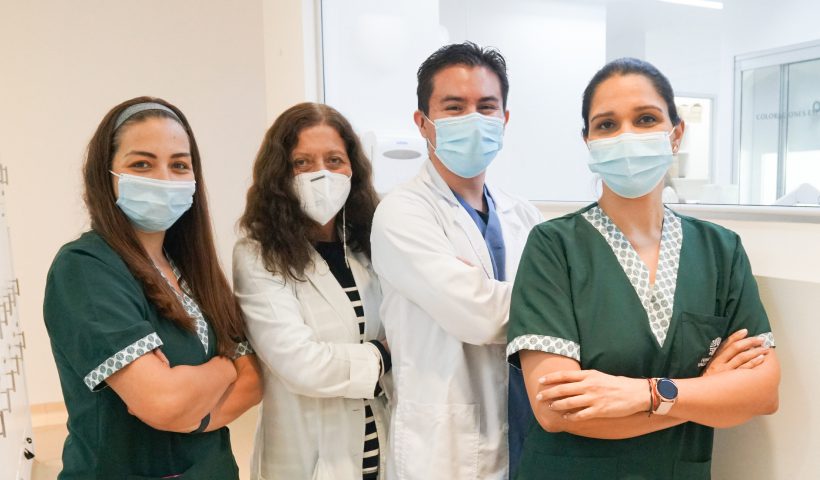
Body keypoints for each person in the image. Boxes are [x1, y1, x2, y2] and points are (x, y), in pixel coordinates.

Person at [507, 57, 780, 479]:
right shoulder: (553, 246)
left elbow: (762, 393)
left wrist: (645, 394)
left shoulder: (721, 250)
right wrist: (704, 392)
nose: (626, 135)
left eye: (646, 119)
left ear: (676, 134)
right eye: (607, 125)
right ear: (588, 141)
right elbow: (555, 410)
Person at [43, 97, 262, 479]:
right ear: (106, 175)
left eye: (179, 165)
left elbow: (254, 379)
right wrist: (225, 368)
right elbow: (164, 401)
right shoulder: (85, 268)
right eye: (142, 164)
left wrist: (192, 413)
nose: (164, 179)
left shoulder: (191, 267)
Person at [370, 42, 542, 479]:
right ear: (422, 123)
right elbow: (480, 318)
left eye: (486, 107)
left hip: (526, 428)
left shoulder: (524, 215)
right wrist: (550, 301)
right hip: (444, 449)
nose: (473, 119)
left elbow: (494, 305)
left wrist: (493, 295)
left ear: (504, 120)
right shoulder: (402, 213)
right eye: (454, 107)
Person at [233, 102, 391, 480]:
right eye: (302, 163)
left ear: (353, 169)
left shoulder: (370, 245)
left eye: (334, 160)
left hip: (383, 452)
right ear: (279, 173)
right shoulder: (256, 254)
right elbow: (300, 364)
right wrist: (385, 354)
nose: (321, 173)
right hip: (308, 462)